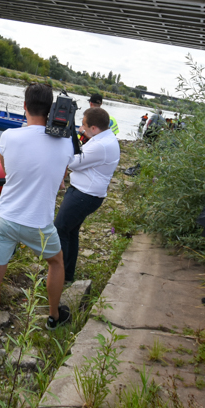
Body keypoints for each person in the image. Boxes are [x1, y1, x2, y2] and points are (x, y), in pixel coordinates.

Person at [0, 83, 74, 348]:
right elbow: (63, 174)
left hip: (5, 217)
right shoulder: (65, 142)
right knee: (56, 263)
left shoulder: (9, 136)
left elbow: (7, 170)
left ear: (24, 106)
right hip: (38, 223)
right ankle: (54, 316)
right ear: (52, 109)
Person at [55, 107, 121, 283]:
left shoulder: (101, 145)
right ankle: (67, 275)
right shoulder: (104, 138)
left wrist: (64, 144)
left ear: (94, 128)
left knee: (60, 228)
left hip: (85, 195)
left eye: (83, 125)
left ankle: (58, 274)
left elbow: (74, 163)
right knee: (71, 232)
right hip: (87, 193)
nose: (81, 129)